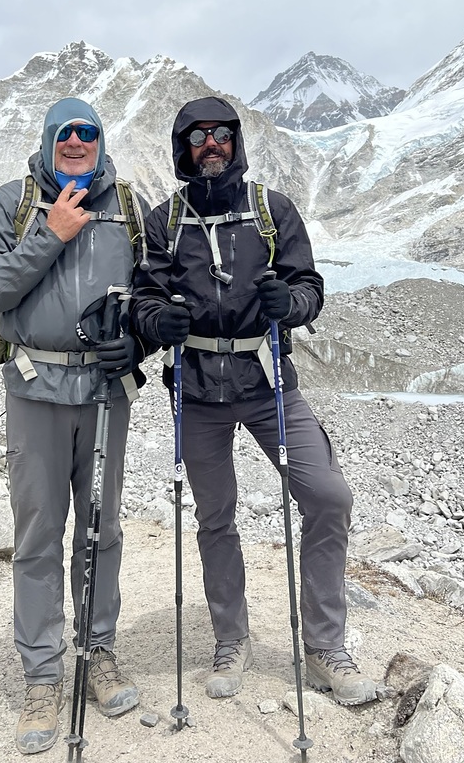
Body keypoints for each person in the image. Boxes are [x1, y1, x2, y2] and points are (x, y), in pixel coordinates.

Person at [130, 96, 377, 706]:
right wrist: (158, 319)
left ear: (236, 142)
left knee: (326, 496)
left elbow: (309, 286)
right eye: (197, 137)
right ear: (183, 149)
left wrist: (289, 306)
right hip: (196, 389)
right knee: (215, 517)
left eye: (220, 134)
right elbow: (143, 296)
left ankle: (323, 648)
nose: (210, 144)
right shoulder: (165, 222)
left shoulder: (271, 210)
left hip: (267, 384)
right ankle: (230, 639)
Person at [0, 97, 149, 754]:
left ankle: (98, 652)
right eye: (64, 132)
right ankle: (43, 675)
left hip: (105, 391)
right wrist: (51, 235)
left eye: (88, 132)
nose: (76, 140)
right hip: (35, 391)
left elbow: (153, 295)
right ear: (47, 140)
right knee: (40, 532)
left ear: (100, 141)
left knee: (102, 528)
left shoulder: (127, 207)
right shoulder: (13, 203)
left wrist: (141, 345)